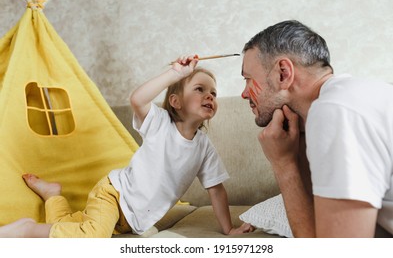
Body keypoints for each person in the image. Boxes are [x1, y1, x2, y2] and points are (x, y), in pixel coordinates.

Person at [0, 55, 252, 238]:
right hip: (113, 195)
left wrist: (228, 230)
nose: (210, 96)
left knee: (75, 227)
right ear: (175, 101)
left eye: (214, 93)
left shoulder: (203, 147)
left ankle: (54, 196)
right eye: (200, 89)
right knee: (92, 238)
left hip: (131, 221)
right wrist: (175, 74)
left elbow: (216, 191)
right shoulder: (159, 123)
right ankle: (27, 230)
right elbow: (137, 99)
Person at [240, 20, 393, 238]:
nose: (244, 94)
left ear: (283, 73)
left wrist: (283, 164)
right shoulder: (350, 98)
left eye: (248, 79)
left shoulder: (335, 111)